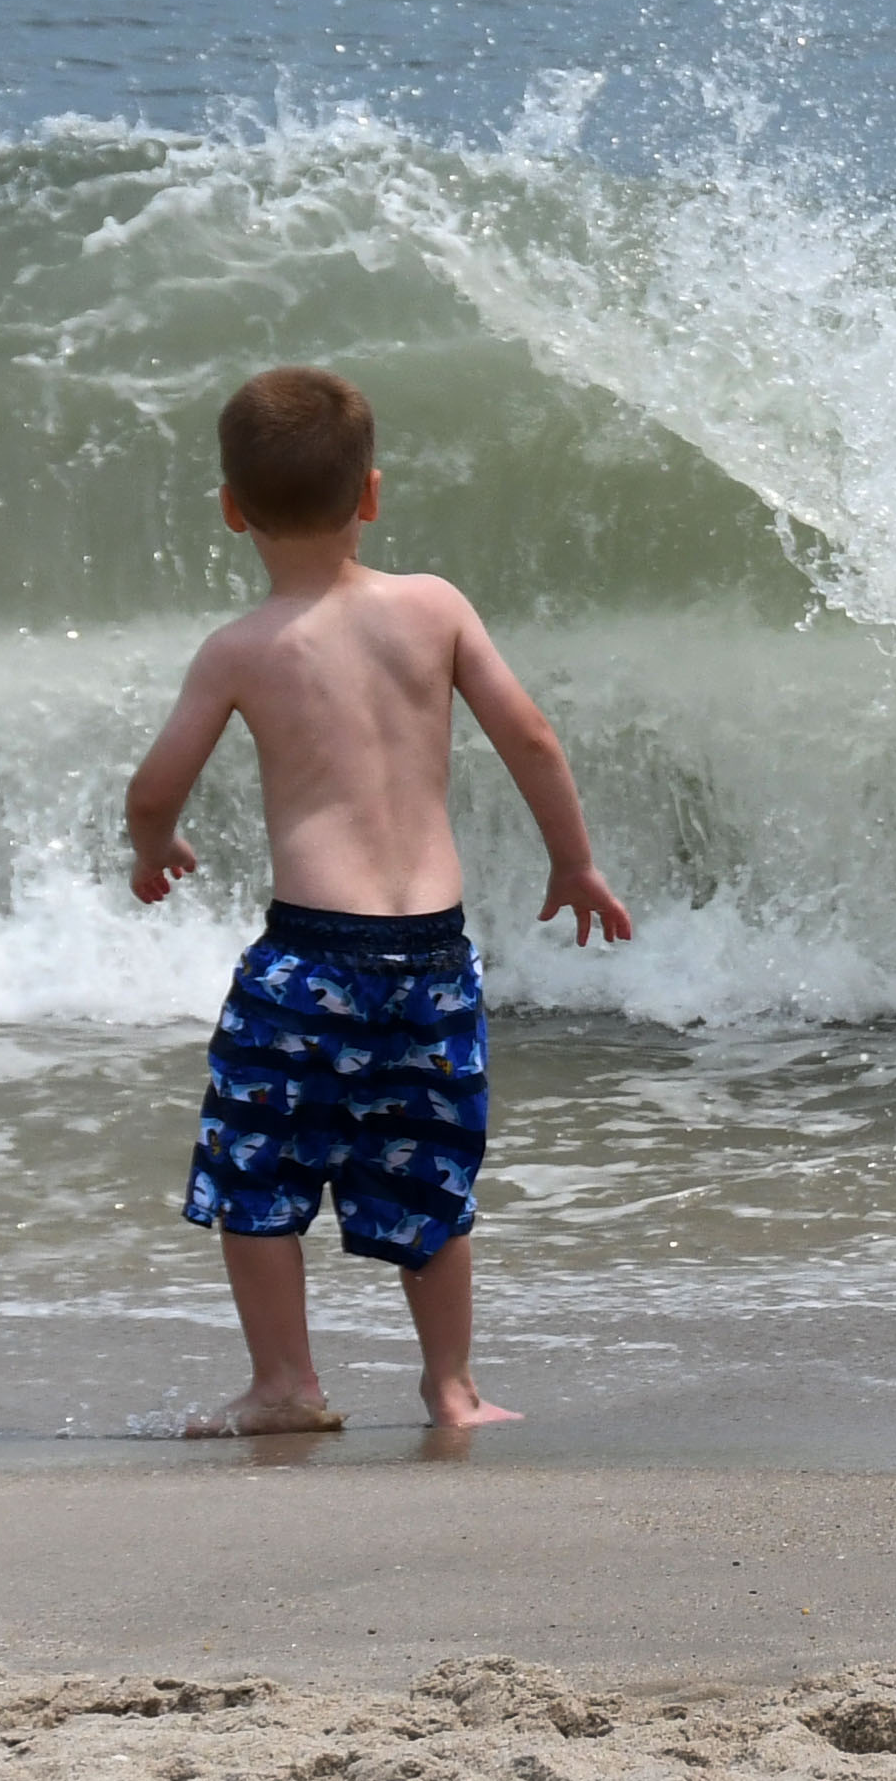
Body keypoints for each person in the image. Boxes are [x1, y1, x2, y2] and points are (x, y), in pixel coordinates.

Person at [123, 364, 632, 1434]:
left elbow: (157, 782)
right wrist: (572, 863)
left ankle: (286, 1386)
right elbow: (531, 737)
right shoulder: (434, 608)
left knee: (254, 1170)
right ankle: (451, 1387)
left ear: (231, 511)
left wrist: (154, 843)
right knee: (430, 1176)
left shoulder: (240, 651)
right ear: (371, 494)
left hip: (309, 960)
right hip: (432, 962)